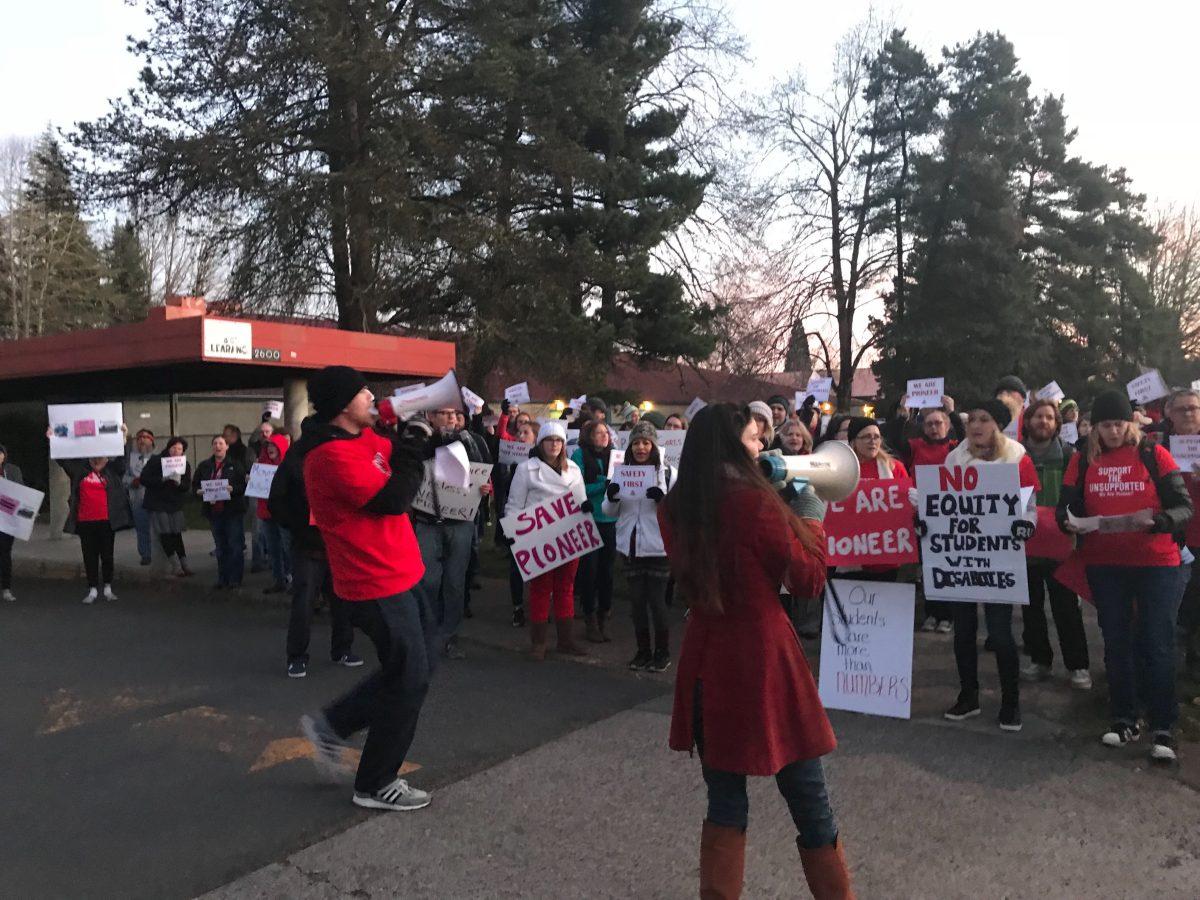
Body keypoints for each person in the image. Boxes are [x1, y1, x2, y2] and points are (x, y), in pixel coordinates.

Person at [659, 403, 851, 899]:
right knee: (809, 796)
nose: (760, 448)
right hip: (765, 659)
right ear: (729, 444)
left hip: (707, 659)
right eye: (751, 438)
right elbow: (808, 579)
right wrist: (809, 512)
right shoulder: (756, 503)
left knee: (725, 800)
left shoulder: (676, 505)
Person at [298, 366, 433, 811]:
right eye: (362, 392)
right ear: (342, 405)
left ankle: (331, 725)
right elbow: (394, 497)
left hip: (402, 572)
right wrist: (414, 451)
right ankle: (375, 783)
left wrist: (426, 432)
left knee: (415, 669)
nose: (372, 397)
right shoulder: (329, 457)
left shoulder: (361, 439)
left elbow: (395, 451)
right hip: (373, 583)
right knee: (409, 679)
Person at [1057, 389, 1192, 763]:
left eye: (1118, 424)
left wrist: (1163, 520)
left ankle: (1163, 725)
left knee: (1157, 641)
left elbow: (1184, 506)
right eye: (1105, 425)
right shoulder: (1082, 460)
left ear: (1130, 423)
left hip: (1156, 562)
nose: (1113, 432)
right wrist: (1066, 521)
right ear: (1094, 427)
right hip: (1106, 564)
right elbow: (1068, 505)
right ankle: (1123, 718)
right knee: (1116, 640)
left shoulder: (1153, 453)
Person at [930, 399, 1039, 732]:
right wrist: (927, 523)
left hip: (999, 561)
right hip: (961, 560)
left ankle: (1010, 702)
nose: (976, 425)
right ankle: (969, 696)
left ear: (998, 424)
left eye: (985, 419)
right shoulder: (954, 458)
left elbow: (1030, 503)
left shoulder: (1017, 457)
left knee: (1002, 635)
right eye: (972, 419)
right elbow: (942, 505)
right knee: (963, 632)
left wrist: (1026, 524)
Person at [269, 414, 361, 679]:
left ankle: (343, 648)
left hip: (337, 540)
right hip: (308, 543)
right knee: (304, 601)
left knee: (342, 599)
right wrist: (297, 525)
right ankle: (297, 656)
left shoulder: (338, 455)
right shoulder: (296, 459)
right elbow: (278, 499)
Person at [407, 401, 492, 661]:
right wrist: (437, 439)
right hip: (428, 522)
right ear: (432, 417)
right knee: (428, 582)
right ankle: (427, 634)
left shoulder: (468, 440)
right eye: (444, 414)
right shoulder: (418, 440)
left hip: (460, 523)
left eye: (455, 414)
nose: (451, 418)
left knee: (455, 584)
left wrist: (484, 488)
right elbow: (415, 465)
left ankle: (448, 637)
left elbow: (481, 467)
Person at [1019, 400, 1091, 689]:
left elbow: (1078, 495)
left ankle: (1078, 665)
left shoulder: (1069, 455)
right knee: (1030, 607)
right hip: (1025, 542)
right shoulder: (1014, 455)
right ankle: (1040, 660)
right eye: (1038, 416)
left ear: (1057, 424)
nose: (1043, 421)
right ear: (1028, 421)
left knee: (1066, 607)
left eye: (1049, 417)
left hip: (1061, 542)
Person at [504, 420, 589, 660]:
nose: (554, 444)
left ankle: (565, 640)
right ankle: (539, 642)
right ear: (541, 443)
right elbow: (514, 504)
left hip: (568, 536)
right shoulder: (526, 469)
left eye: (558, 440)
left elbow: (580, 499)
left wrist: (586, 506)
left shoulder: (573, 468)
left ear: (563, 444)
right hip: (538, 538)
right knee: (540, 589)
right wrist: (513, 533)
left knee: (566, 588)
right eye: (549, 440)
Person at [603, 421, 676, 671]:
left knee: (657, 603)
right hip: (631, 545)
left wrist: (663, 501)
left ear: (654, 445)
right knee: (637, 603)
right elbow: (609, 510)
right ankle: (642, 651)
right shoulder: (622, 472)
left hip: (658, 547)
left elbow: (680, 512)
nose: (641, 447)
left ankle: (662, 652)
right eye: (636, 443)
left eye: (646, 442)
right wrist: (612, 496)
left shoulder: (667, 473)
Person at [55, 423, 133, 604]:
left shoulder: (113, 470)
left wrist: (124, 437)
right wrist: (53, 437)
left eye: (102, 453)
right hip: (85, 521)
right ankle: (92, 588)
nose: (98, 457)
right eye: (94, 453)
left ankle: (107, 587)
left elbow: (124, 457)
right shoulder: (80, 470)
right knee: (89, 556)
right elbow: (61, 459)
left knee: (107, 555)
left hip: (107, 521)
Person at [572, 419, 618, 643]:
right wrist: (603, 484)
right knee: (589, 570)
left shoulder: (615, 456)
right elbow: (577, 486)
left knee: (607, 571)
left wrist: (605, 483)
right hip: (588, 519)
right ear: (588, 436)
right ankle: (589, 616)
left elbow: (621, 482)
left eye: (606, 433)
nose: (603, 436)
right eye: (598, 433)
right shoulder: (579, 456)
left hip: (610, 519)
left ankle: (604, 615)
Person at [1165, 389, 1200, 678]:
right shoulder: (1159, 447)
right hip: (1173, 540)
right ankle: (1171, 677)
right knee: (1176, 611)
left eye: (1193, 408)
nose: (1188, 413)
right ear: (1169, 414)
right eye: (1181, 409)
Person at [493, 420, 537, 627]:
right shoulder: (513, 463)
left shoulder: (543, 463)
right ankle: (518, 606)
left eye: (526, 433)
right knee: (517, 565)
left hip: (540, 521)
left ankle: (539, 606)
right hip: (519, 519)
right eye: (519, 433)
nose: (520, 437)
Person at [194, 434, 249, 590]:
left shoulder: (235, 465)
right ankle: (222, 578)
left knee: (235, 545)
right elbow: (195, 485)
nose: (218, 446)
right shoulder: (205, 465)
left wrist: (234, 489)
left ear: (227, 447)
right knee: (220, 546)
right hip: (214, 511)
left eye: (221, 443)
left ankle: (235, 579)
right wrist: (198, 492)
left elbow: (244, 486)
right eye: (215, 443)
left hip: (232, 511)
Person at [139, 437, 194, 577]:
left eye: (180, 449)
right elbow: (144, 479)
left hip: (175, 503)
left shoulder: (184, 465)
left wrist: (178, 484)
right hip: (158, 503)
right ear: (168, 447)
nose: (176, 451)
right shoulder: (156, 460)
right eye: (174, 447)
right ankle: (175, 564)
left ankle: (184, 563)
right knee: (165, 533)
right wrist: (161, 479)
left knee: (176, 533)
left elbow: (187, 485)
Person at [256, 434, 293, 594]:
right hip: (266, 512)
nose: (270, 448)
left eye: (273, 445)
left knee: (288, 548)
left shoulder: (289, 465)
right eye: (268, 446)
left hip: (284, 513)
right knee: (273, 548)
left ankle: (293, 580)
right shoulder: (261, 465)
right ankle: (278, 580)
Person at [124, 429, 156, 565]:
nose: (141, 440)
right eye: (139, 438)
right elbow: (123, 478)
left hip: (155, 499)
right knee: (142, 528)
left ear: (151, 440)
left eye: (145, 437)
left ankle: (160, 553)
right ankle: (145, 554)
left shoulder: (158, 457)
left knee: (157, 528)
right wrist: (132, 481)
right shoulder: (131, 458)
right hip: (137, 499)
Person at [0, 444, 24, 601]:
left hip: (7, 520)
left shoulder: (13, 470)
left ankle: (6, 588)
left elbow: (21, 492)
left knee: (4, 554)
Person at [994, 375, 1028, 440]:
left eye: (1009, 391)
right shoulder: (990, 417)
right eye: (1000, 392)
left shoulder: (1030, 417)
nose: (1004, 395)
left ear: (1022, 398)